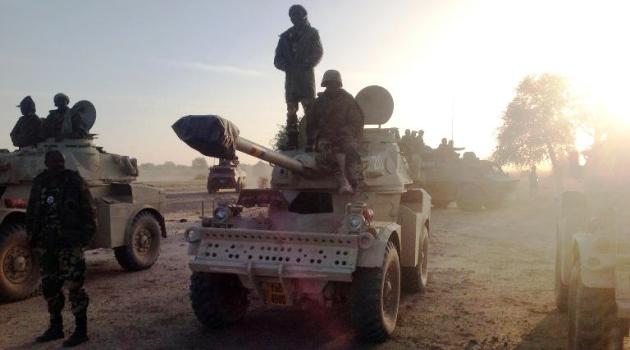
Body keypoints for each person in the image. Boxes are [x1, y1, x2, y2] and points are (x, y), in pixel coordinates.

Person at [26, 150, 96, 347]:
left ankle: (81, 330)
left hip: (69, 243)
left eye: (61, 161)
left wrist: (84, 239)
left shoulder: (74, 181)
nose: (58, 164)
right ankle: (55, 327)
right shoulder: (40, 182)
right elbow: (32, 210)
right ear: (46, 162)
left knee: (75, 287)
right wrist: (32, 235)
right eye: (54, 161)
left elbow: (89, 210)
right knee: (50, 287)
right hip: (47, 244)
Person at [274, 4, 323, 149]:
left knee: (310, 112)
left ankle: (311, 142)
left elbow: (318, 53)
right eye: (293, 16)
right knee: (291, 112)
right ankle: (292, 142)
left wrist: (305, 65)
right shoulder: (284, 37)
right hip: (291, 82)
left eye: (298, 15)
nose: (295, 18)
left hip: (306, 80)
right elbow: (277, 60)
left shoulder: (312, 33)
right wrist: (287, 67)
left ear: (304, 16)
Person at [307, 70, 364, 194]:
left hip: (345, 135)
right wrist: (310, 142)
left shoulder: (348, 100)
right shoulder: (319, 102)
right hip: (325, 136)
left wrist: (346, 132)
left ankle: (356, 180)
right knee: (327, 151)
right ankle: (342, 179)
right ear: (325, 84)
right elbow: (311, 123)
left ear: (339, 84)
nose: (332, 86)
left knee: (350, 149)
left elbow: (357, 121)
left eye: (334, 84)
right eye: (329, 84)